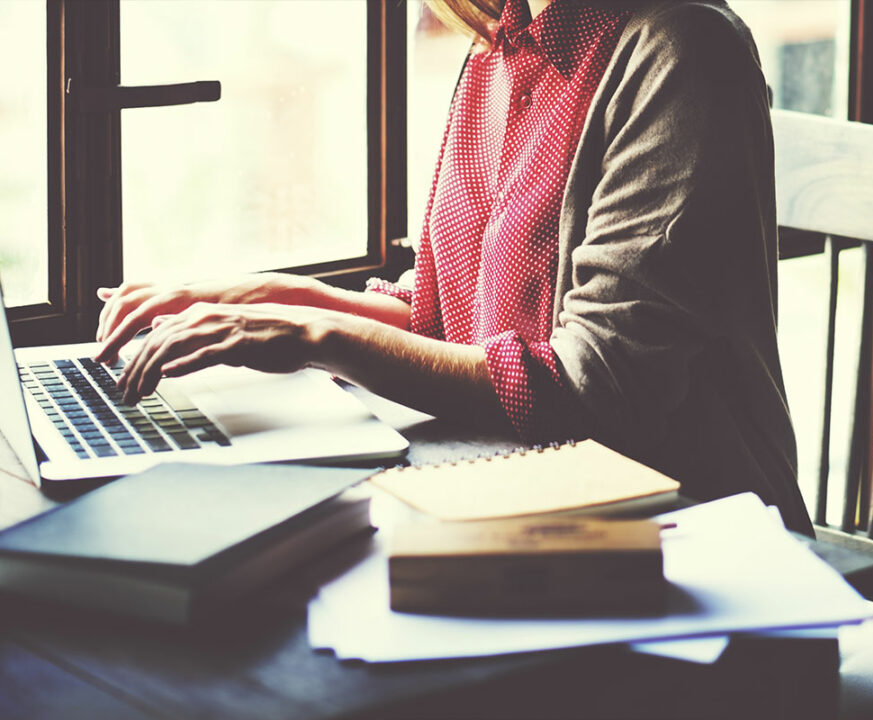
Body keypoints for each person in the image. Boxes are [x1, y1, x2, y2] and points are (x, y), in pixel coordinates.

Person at [94, 0, 811, 534]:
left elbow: (596, 390)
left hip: (692, 541)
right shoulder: (499, 47)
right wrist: (266, 300)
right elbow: (453, 317)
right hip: (526, 500)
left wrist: (315, 335)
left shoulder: (684, 51)